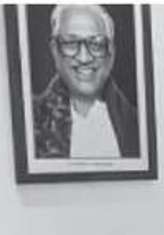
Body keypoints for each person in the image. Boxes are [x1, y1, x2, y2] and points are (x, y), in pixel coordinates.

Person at [33, 4, 140, 159]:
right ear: (55, 50)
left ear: (111, 53)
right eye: (71, 44)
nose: (84, 58)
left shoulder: (138, 124)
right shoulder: (31, 120)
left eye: (96, 44)